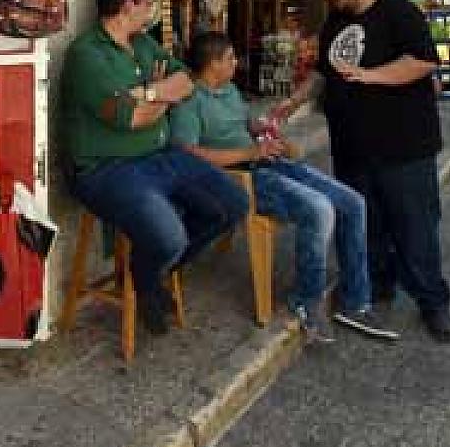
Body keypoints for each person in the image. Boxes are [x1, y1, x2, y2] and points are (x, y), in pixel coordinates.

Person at [274, 0, 450, 343]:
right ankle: (376, 284)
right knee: (365, 222)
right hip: (353, 146)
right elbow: (324, 72)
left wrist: (370, 76)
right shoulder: (336, 21)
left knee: (414, 226)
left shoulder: (399, 12)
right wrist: (295, 101)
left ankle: (433, 301)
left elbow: (422, 63)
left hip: (404, 145)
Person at [170, 31, 398, 343]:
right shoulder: (189, 101)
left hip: (266, 163)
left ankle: (356, 302)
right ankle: (307, 300)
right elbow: (188, 154)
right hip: (241, 178)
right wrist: (249, 153)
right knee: (318, 210)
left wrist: (263, 129)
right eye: (230, 59)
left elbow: (244, 124)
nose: (236, 63)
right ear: (212, 64)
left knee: (353, 203)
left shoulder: (230, 91)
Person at [60, 0, 249, 335]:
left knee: (231, 205)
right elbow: (130, 119)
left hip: (159, 156)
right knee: (170, 237)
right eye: (148, 2)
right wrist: (160, 95)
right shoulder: (87, 55)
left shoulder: (143, 42)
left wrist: (148, 91)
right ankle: (148, 278)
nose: (152, 9)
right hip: (106, 170)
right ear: (128, 4)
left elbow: (186, 82)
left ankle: (149, 273)